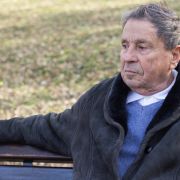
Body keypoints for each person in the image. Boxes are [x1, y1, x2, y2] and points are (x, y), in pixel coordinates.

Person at [0, 3, 179, 180]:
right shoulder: (99, 101)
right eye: (125, 46)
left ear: (174, 56)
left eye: (142, 47)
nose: (128, 57)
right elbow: (43, 129)